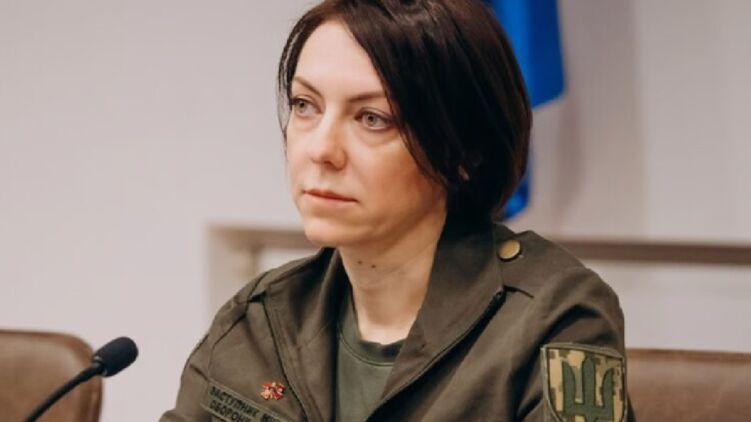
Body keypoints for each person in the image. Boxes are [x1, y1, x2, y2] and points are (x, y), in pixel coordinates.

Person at [162, 0, 633, 421]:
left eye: (373, 118)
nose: (321, 149)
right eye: (305, 105)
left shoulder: (554, 317)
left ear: (464, 152)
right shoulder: (259, 319)